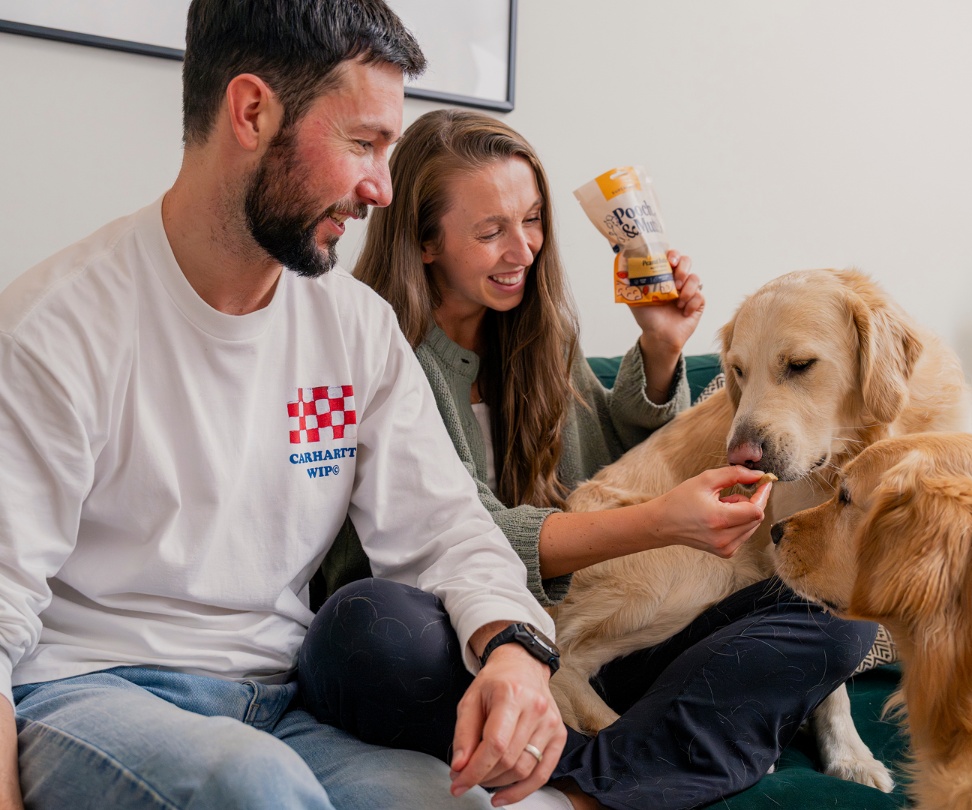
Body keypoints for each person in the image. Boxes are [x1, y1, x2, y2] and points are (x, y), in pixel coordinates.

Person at [0, 4, 575, 809]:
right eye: (363, 144)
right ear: (251, 111)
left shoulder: (356, 330)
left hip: (276, 701)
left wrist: (514, 651)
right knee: (253, 784)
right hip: (88, 693)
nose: (381, 187)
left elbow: (445, 529)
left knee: (458, 802)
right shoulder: (54, 327)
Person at [303, 109, 879, 810]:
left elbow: (607, 477)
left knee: (836, 614)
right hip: (455, 642)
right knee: (367, 626)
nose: (524, 249)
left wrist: (663, 348)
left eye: (534, 221)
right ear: (425, 243)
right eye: (491, 232)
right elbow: (460, 536)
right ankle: (645, 766)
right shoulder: (375, 350)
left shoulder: (539, 337)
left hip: (584, 642)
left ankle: (582, 775)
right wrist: (660, 522)